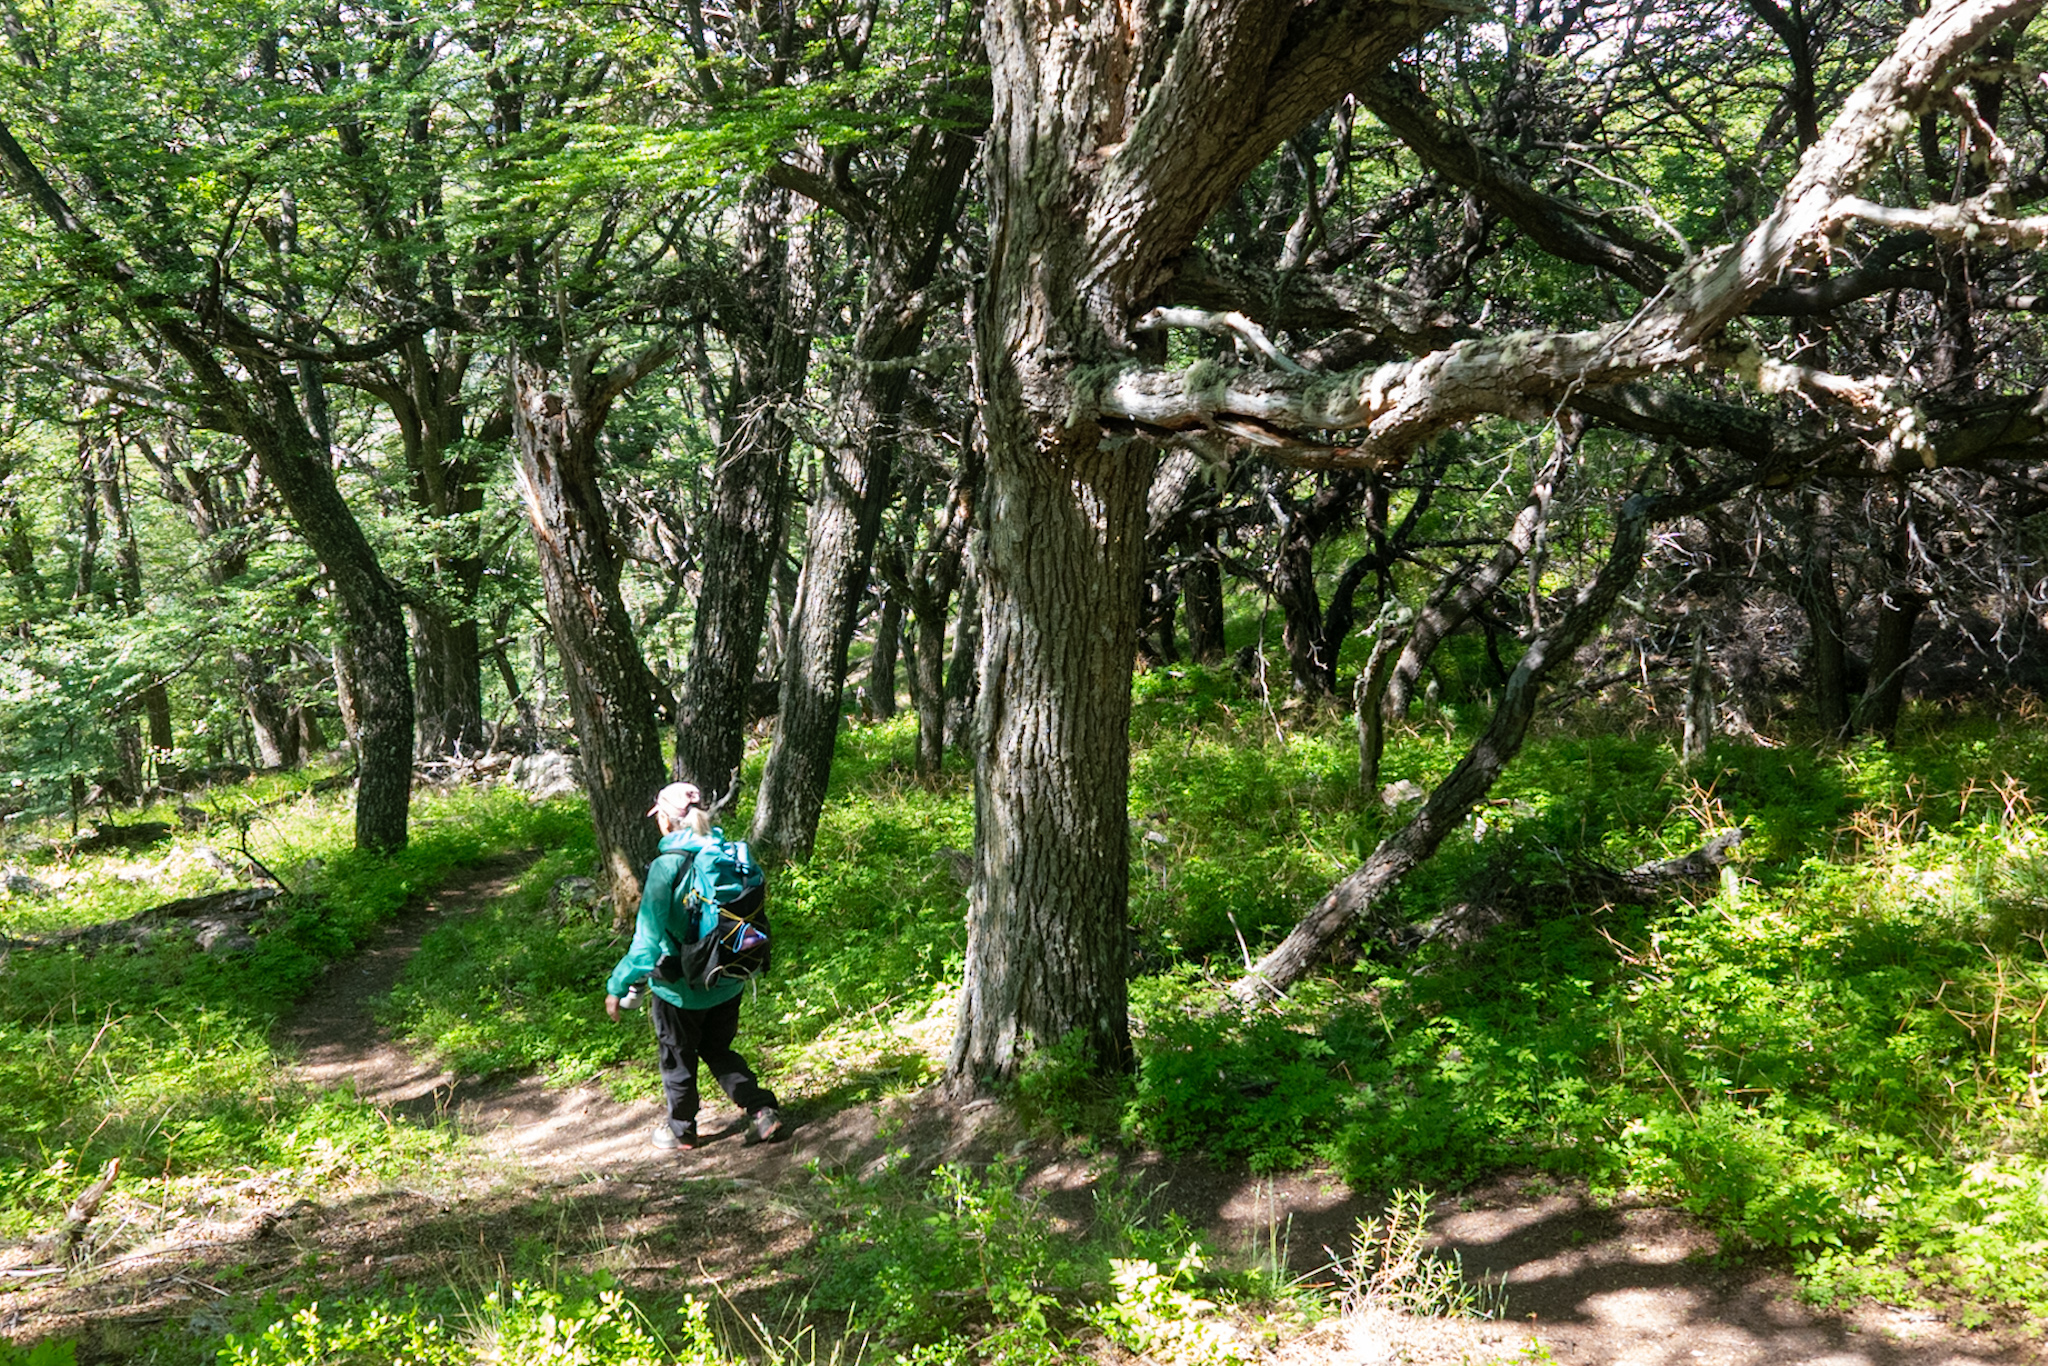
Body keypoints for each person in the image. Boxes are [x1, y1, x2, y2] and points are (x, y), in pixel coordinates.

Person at [605, 781, 782, 1151]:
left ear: (666, 822)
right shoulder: (729, 853)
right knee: (719, 1050)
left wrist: (618, 986)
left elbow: (645, 944)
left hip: (680, 989)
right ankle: (761, 1109)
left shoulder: (666, 867)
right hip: (728, 976)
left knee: (677, 1058)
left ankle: (681, 1130)